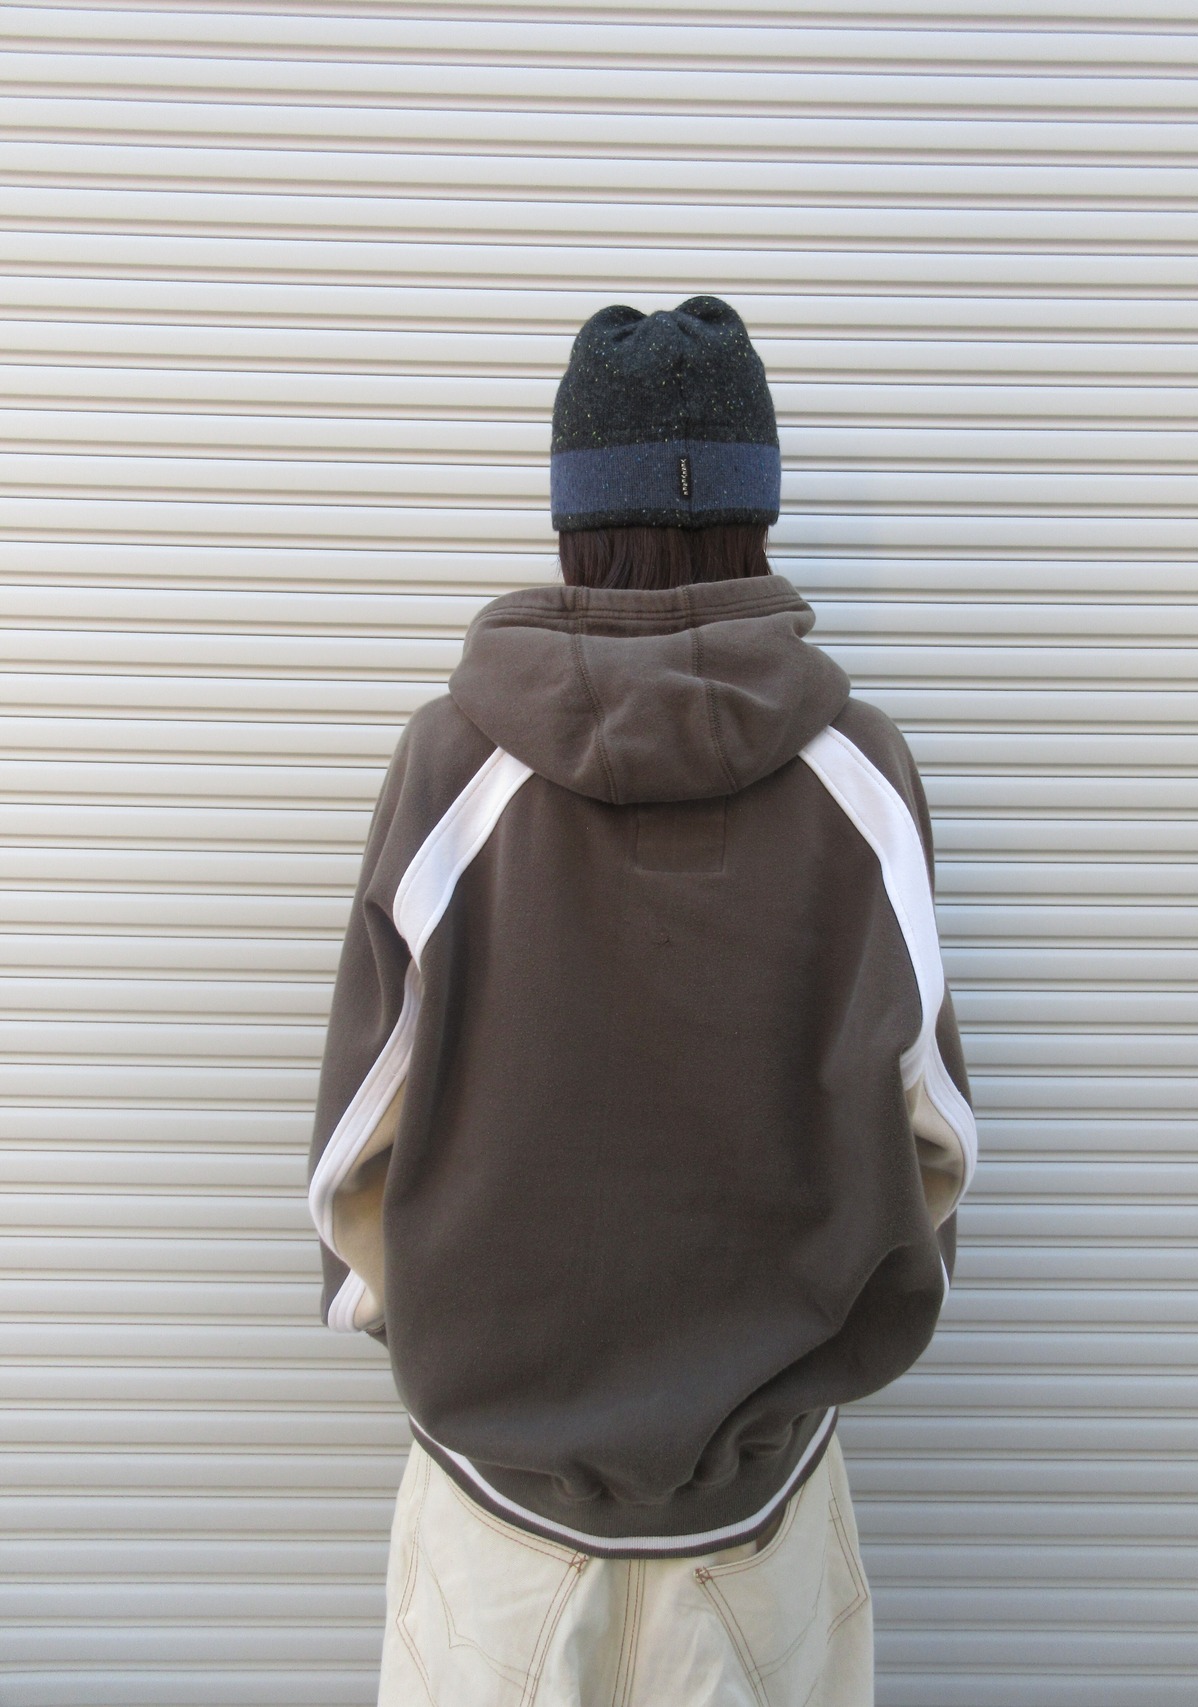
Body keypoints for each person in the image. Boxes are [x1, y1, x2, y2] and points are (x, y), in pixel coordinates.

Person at [306, 295, 977, 1707]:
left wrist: (459, 1338)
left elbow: (356, 1153)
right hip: (759, 1532)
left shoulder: (450, 771)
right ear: (758, 511)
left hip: (497, 1531)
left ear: (572, 517)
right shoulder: (863, 776)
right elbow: (935, 1142)